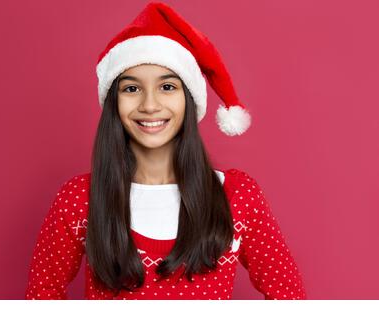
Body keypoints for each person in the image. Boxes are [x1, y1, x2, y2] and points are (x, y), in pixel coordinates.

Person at [24, 1, 307, 300]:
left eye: (167, 87)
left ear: (189, 99)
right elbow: (42, 295)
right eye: (131, 89)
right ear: (113, 103)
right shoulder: (79, 200)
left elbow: (288, 295)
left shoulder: (238, 198)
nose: (149, 105)